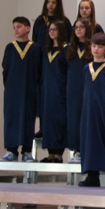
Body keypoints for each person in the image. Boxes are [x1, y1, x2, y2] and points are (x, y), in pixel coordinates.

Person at [78, 34, 105, 188]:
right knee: (90, 141)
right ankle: (92, 175)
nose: (96, 49)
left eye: (100, 46)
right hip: (89, 111)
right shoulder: (86, 68)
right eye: (94, 46)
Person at [0, 17, 42, 162]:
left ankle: (27, 151)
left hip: (29, 90)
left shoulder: (35, 48)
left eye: (19, 26)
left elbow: (38, 71)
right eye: (14, 27)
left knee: (27, 119)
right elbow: (6, 69)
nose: (16, 30)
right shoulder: (10, 48)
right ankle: (11, 151)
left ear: (28, 28)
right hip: (12, 91)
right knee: (11, 119)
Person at [40, 21, 69, 163]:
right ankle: (51, 152)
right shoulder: (46, 49)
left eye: (55, 29)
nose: (52, 32)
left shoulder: (66, 49)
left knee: (59, 121)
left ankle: (58, 153)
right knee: (48, 120)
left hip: (60, 89)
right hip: (47, 90)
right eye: (50, 29)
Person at [66, 18, 94, 164]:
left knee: (87, 118)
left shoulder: (93, 47)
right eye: (76, 27)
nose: (78, 29)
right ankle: (77, 150)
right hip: (73, 88)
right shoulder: (70, 48)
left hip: (88, 87)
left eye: (81, 27)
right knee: (74, 118)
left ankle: (87, 149)